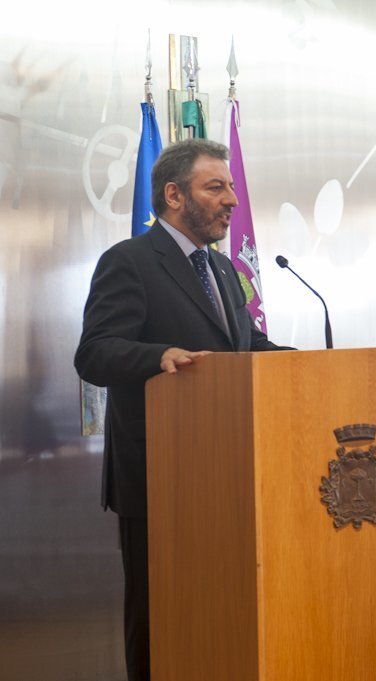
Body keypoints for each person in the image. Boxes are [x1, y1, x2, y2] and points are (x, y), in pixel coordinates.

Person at [74, 139, 293, 681]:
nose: (232, 200)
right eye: (215, 187)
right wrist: (159, 356)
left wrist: (299, 363)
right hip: (160, 477)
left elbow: (244, 347)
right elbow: (95, 352)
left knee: (218, 613)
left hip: (231, 476)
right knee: (160, 619)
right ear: (174, 195)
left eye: (231, 187)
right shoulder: (129, 262)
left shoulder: (222, 268)